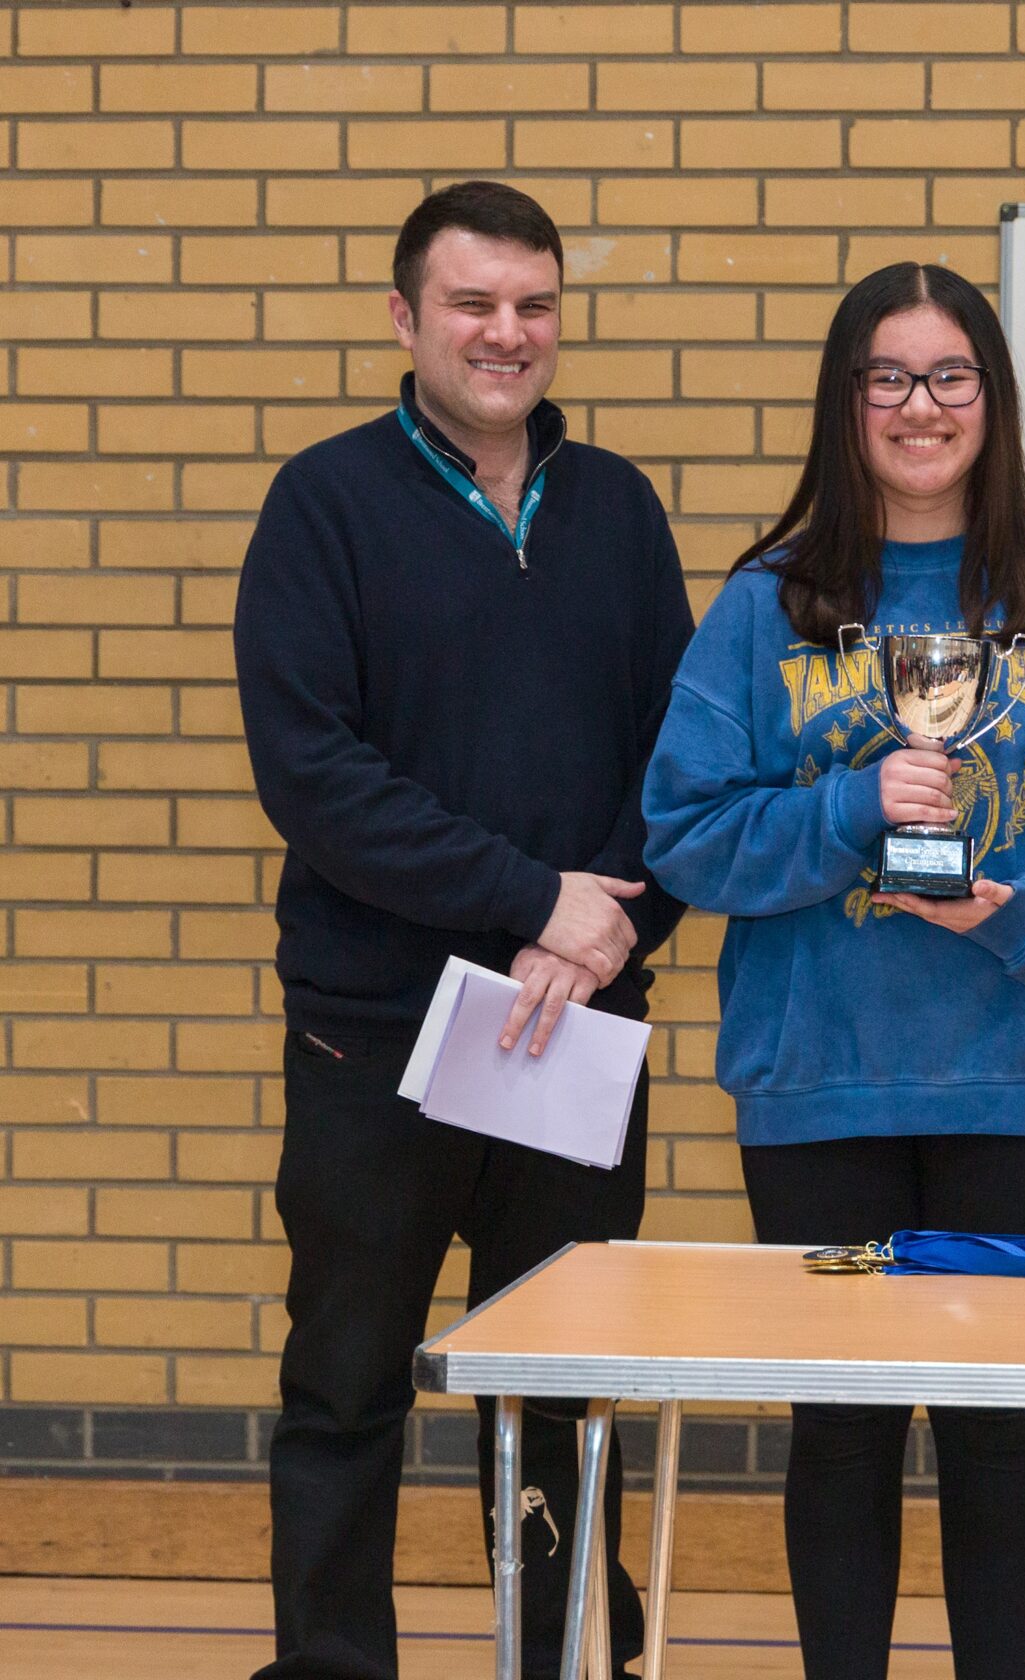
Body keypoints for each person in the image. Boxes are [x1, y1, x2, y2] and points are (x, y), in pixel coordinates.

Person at [642, 261, 1025, 1679]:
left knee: (997, 1425)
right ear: (846, 404)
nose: (919, 405)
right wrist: (852, 814)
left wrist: (1019, 915)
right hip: (817, 1089)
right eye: (888, 377)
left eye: (950, 376)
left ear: (993, 401)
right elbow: (685, 836)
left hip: (1014, 1088)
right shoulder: (764, 607)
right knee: (839, 1429)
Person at [233, 181, 692, 1680]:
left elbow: (681, 763)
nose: (508, 334)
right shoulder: (325, 502)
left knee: (563, 1392)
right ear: (406, 319)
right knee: (348, 1387)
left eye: (534, 306)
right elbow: (318, 779)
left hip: (577, 1037)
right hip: (378, 1041)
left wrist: (599, 930)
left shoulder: (617, 508)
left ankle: (564, 1662)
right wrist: (528, 899)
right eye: (474, 304)